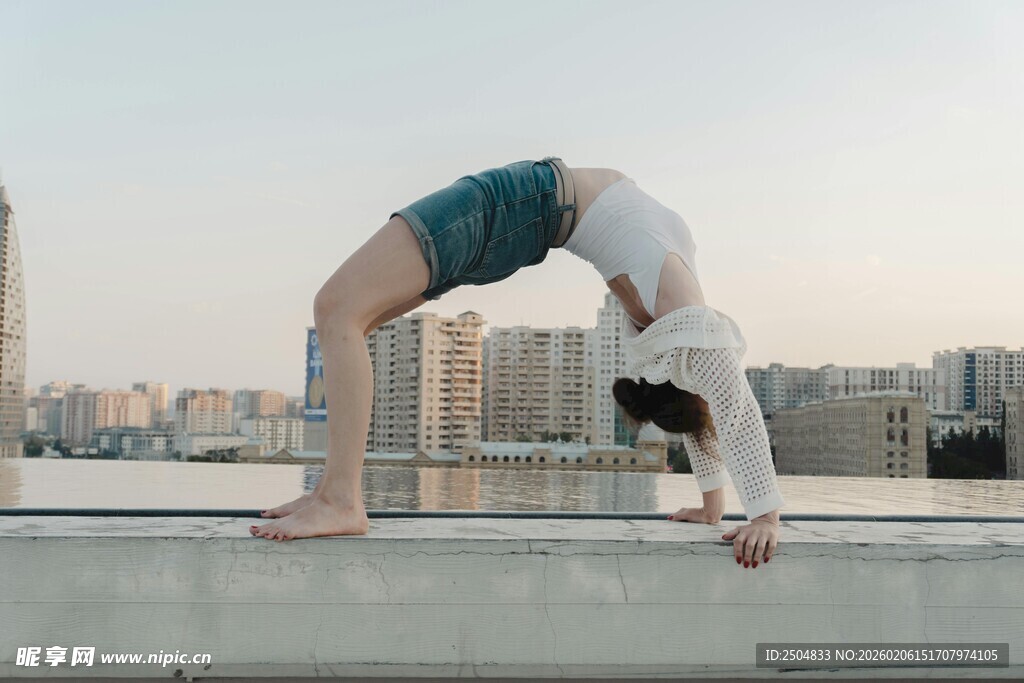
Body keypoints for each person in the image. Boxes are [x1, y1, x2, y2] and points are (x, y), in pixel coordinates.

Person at [249, 157, 785, 569]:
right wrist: (739, 511)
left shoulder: (679, 300)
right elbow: (727, 409)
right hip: (528, 211)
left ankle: (341, 499)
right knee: (351, 316)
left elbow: (717, 409)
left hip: (524, 206)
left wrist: (743, 511)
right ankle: (330, 492)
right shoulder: (682, 313)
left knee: (337, 309)